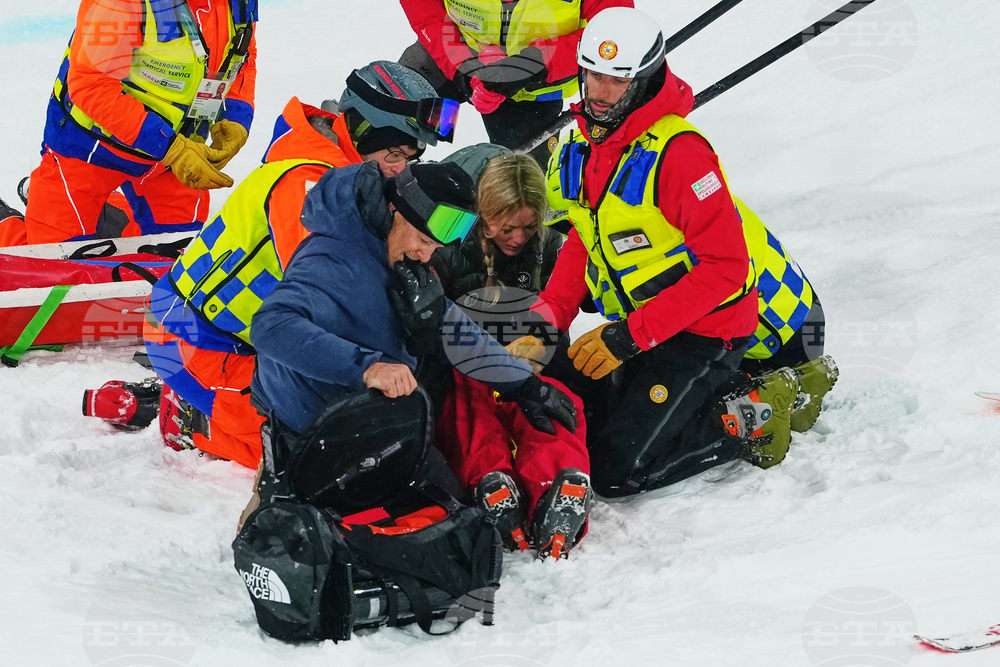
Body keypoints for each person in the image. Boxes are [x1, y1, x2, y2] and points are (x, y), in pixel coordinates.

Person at [519, 7, 830, 498]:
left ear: (644, 79)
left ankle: (753, 414)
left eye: (617, 81)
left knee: (615, 472)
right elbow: (584, 234)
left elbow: (727, 269)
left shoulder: (680, 155)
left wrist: (627, 338)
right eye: (592, 75)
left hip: (710, 332)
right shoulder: (581, 144)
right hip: (655, 326)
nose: (599, 92)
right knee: (581, 415)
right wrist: (549, 317)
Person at [249, 160, 590, 560]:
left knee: (458, 517)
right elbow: (271, 325)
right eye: (423, 240)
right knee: (446, 535)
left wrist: (524, 385)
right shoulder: (332, 258)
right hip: (318, 428)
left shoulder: (401, 258)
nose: (426, 253)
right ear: (396, 211)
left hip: (377, 417)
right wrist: (367, 367)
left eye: (434, 247)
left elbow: (454, 329)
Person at [142, 61, 455, 468]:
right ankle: (194, 421)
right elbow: (340, 296)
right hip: (193, 340)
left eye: (410, 159)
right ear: (359, 132)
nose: (401, 171)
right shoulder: (311, 188)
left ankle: (217, 401)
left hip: (232, 339)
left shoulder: (353, 178)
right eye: (393, 154)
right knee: (324, 452)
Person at [427, 148, 589, 557]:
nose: (518, 238)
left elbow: (575, 295)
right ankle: (492, 481)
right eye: (507, 227)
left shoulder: (550, 245)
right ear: (484, 213)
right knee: (468, 411)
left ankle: (560, 485)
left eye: (529, 227)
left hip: (532, 360)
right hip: (468, 363)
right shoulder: (447, 245)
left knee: (555, 403)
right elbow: (429, 319)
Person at [0, 0, 258, 247]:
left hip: (172, 158)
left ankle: (102, 216)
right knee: (49, 263)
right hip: (90, 150)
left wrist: (236, 118)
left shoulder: (240, 3)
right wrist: (172, 148)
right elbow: (91, 86)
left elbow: (241, 59)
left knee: (177, 255)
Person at [398, 0, 633, 168]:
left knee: (521, 183)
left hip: (537, 83)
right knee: (394, 111)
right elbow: (425, 9)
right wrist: (462, 67)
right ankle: (395, 175)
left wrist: (533, 64)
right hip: (453, 52)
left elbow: (616, 30)